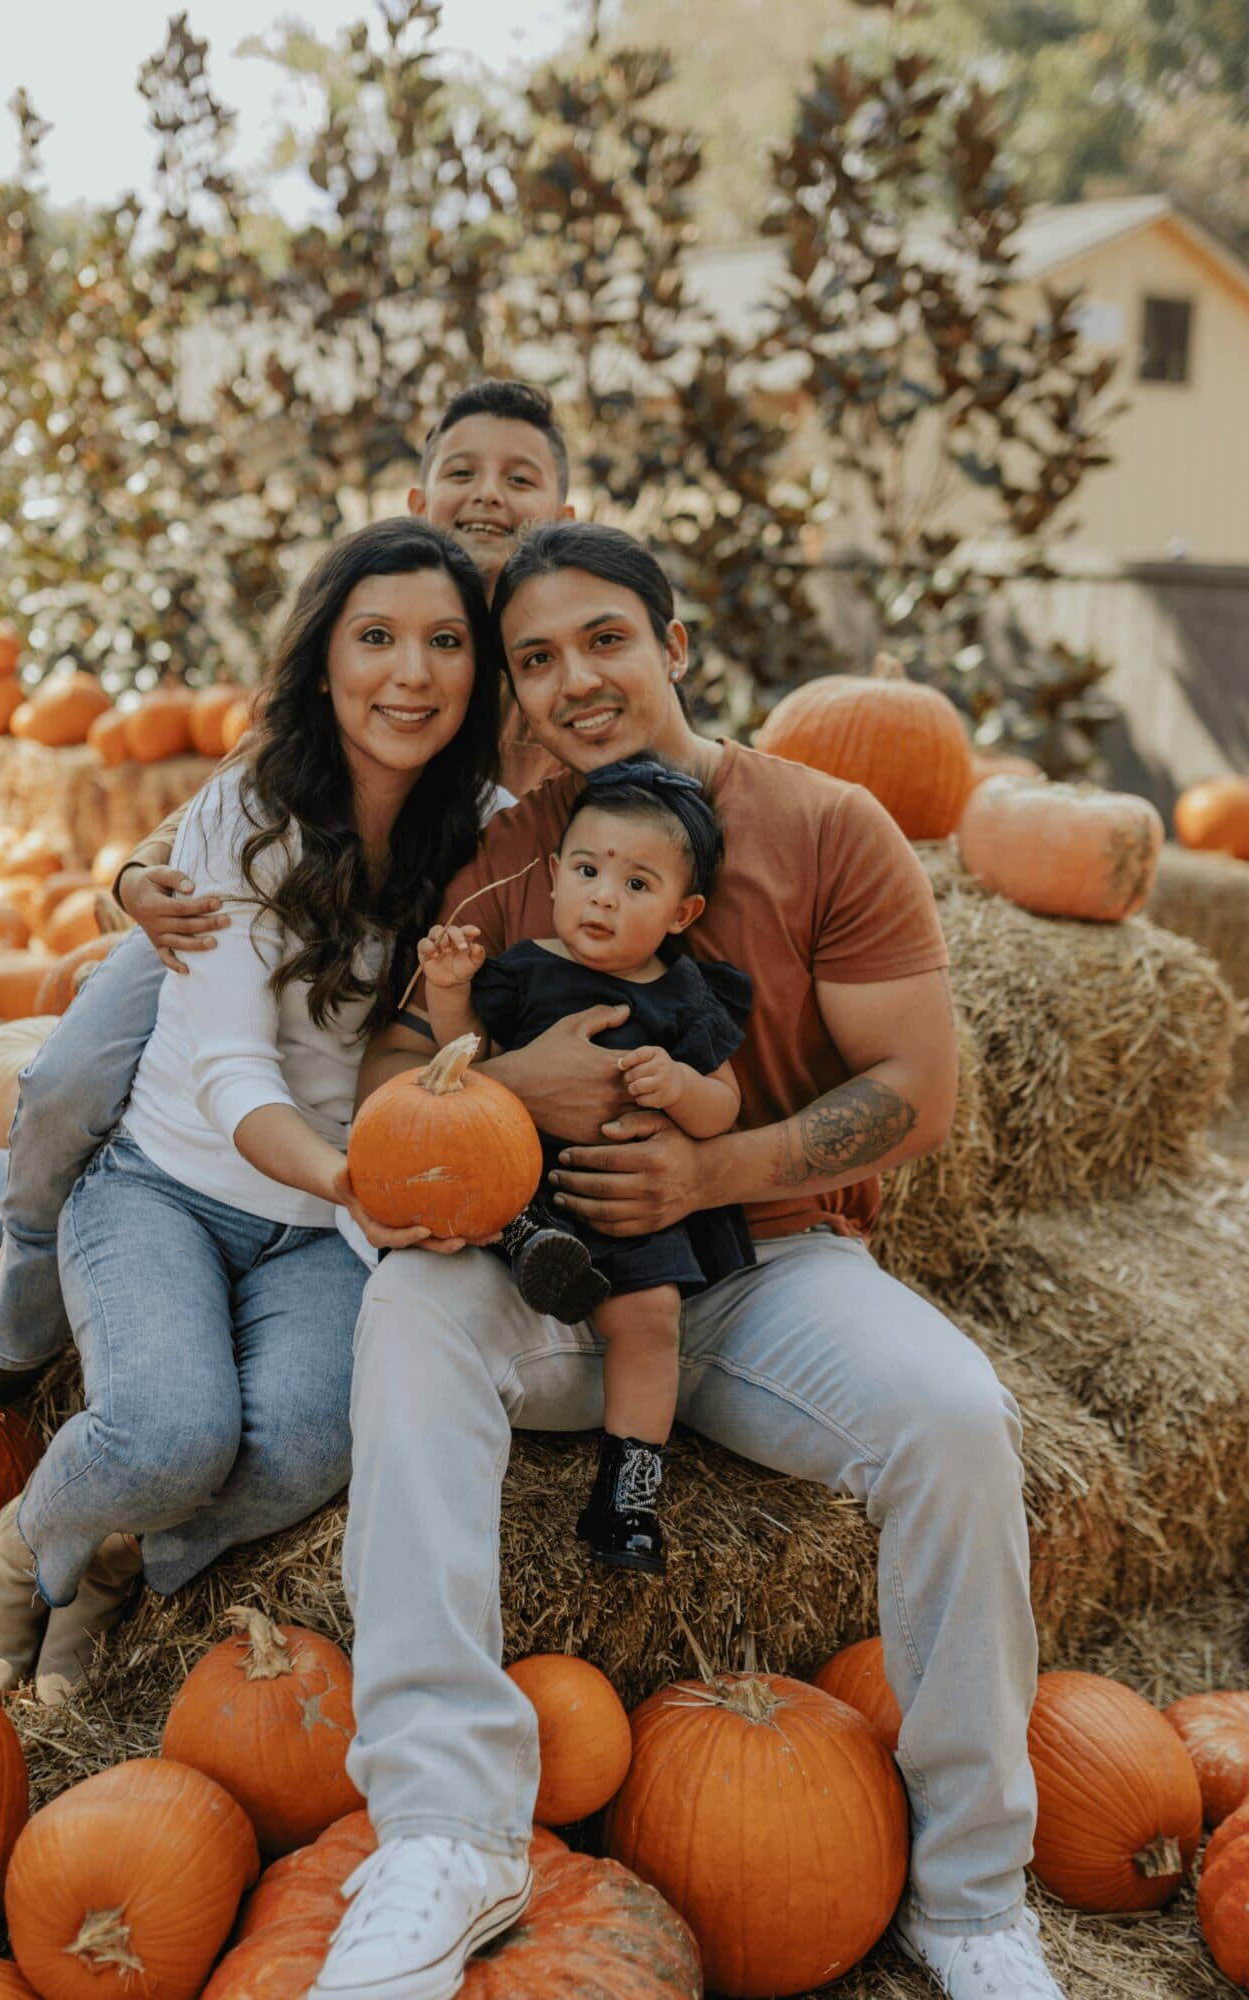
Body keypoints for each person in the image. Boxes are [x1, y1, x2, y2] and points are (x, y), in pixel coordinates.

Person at [306, 522, 1065, 2000]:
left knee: (961, 1421)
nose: (575, 678)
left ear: (675, 645)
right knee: (406, 1309)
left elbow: (918, 1089)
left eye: (605, 638)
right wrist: (493, 1085)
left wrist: (714, 1163)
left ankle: (974, 1893)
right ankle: (449, 1832)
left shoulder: (829, 824)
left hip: (766, 1265)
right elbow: (406, 1055)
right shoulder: (512, 848)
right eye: (536, 658)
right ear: (515, 692)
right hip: (547, 1270)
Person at [0, 378, 577, 1443]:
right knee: (70, 1080)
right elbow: (254, 774)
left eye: (521, 477)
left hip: (414, 938)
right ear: (419, 496)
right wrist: (137, 875)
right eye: (463, 471)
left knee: (278, 1121)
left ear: (565, 505)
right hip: (262, 903)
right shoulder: (387, 597)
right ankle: (10, 1333)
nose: (488, 494)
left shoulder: (560, 645)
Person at [0, 516, 505, 1701]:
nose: (412, 672)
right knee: (168, 1435)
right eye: (377, 637)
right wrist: (355, 1174)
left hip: (323, 1229)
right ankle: (25, 1543)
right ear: (321, 660)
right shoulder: (250, 809)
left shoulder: (486, 831)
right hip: (168, 1186)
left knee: (305, 1444)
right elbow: (231, 1071)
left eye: (445, 641)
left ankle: (113, 1554)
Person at [417, 756, 752, 1573]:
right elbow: (465, 1058)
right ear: (556, 876)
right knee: (481, 1191)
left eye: (639, 885)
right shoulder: (526, 967)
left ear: (683, 912)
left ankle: (628, 1493)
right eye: (590, 870)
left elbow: (725, 1107)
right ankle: (529, 1243)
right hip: (528, 1182)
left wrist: (677, 1084)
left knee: (652, 1319)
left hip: (627, 1204)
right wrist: (450, 987)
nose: (605, 894)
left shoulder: (683, 997)